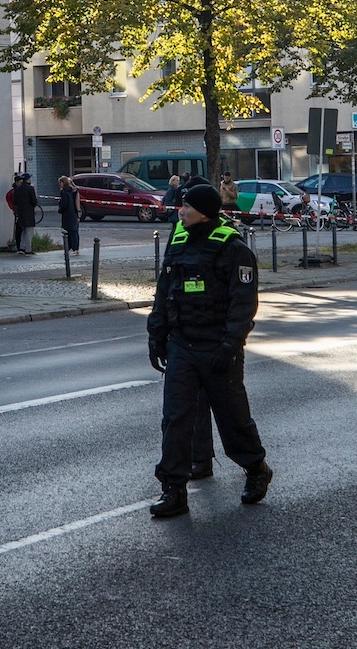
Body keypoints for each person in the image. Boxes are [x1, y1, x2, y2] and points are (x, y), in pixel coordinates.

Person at [147, 183, 271, 518]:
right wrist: (156, 333)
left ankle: (256, 468)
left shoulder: (233, 248)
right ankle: (174, 490)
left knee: (233, 419)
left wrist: (231, 344)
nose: (181, 211)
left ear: (203, 212)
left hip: (219, 347)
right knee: (175, 419)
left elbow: (243, 303)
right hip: (182, 345)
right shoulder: (179, 240)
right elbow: (164, 290)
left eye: (187, 206)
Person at [10, 173, 40, 255]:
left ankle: (21, 248)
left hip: (20, 213)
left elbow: (15, 201)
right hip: (28, 213)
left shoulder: (17, 189)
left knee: (23, 231)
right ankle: (28, 249)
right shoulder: (30, 188)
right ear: (28, 179)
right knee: (29, 232)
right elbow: (34, 201)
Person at [57, 175, 82, 256]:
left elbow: (64, 204)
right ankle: (75, 248)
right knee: (73, 232)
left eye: (60, 183)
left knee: (71, 232)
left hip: (68, 214)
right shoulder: (72, 191)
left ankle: (73, 248)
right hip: (73, 213)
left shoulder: (64, 192)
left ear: (63, 183)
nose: (59, 184)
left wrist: (60, 210)